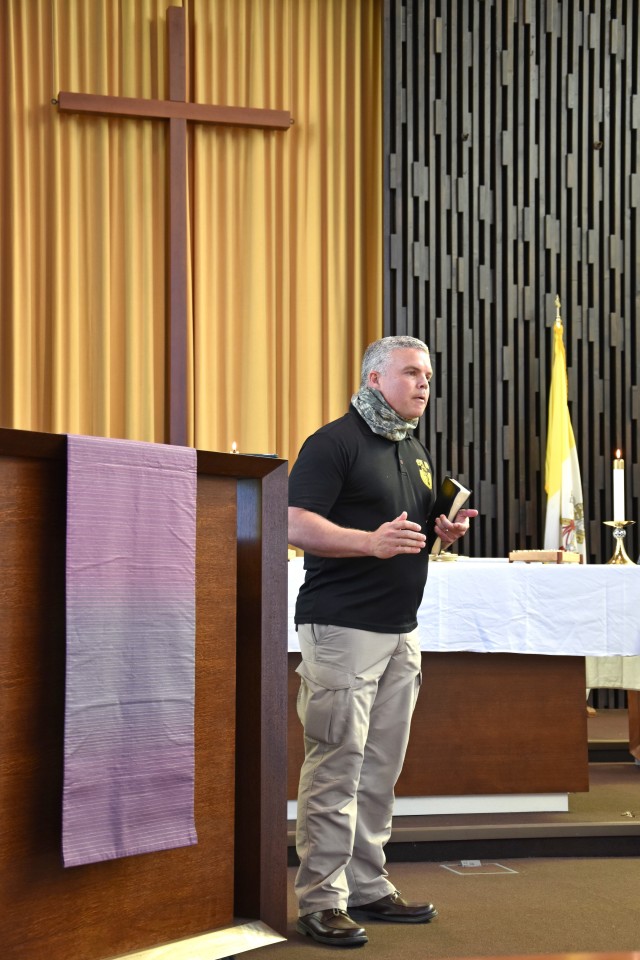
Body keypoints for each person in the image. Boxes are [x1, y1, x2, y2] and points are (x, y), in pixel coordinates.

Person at [288, 335, 478, 948]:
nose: (425, 384)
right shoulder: (333, 443)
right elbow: (292, 522)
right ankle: (321, 900)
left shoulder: (412, 448)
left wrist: (440, 530)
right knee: (337, 766)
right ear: (375, 379)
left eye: (428, 374)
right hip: (342, 628)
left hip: (400, 632)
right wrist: (368, 541)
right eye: (412, 373)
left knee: (379, 770)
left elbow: (409, 532)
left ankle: (368, 885)